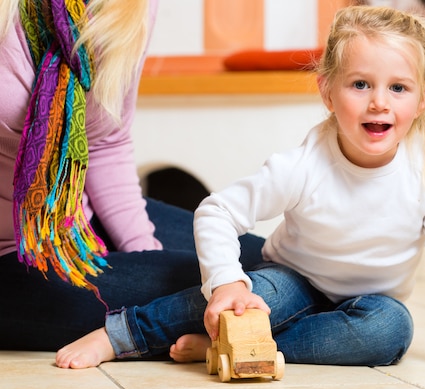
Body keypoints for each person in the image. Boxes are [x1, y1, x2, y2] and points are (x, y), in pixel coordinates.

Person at [56, 5, 425, 377]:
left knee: (392, 330)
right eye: (361, 84)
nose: (378, 102)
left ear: (423, 98)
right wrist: (227, 282)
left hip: (366, 301)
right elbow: (216, 211)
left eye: (398, 88)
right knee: (254, 294)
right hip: (293, 279)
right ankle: (120, 337)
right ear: (328, 92)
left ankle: (242, 350)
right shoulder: (305, 165)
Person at [0, 0, 265, 351]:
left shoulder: (131, 7)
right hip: (14, 254)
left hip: (80, 227)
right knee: (237, 286)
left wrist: (145, 255)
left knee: (273, 259)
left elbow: (107, 142)